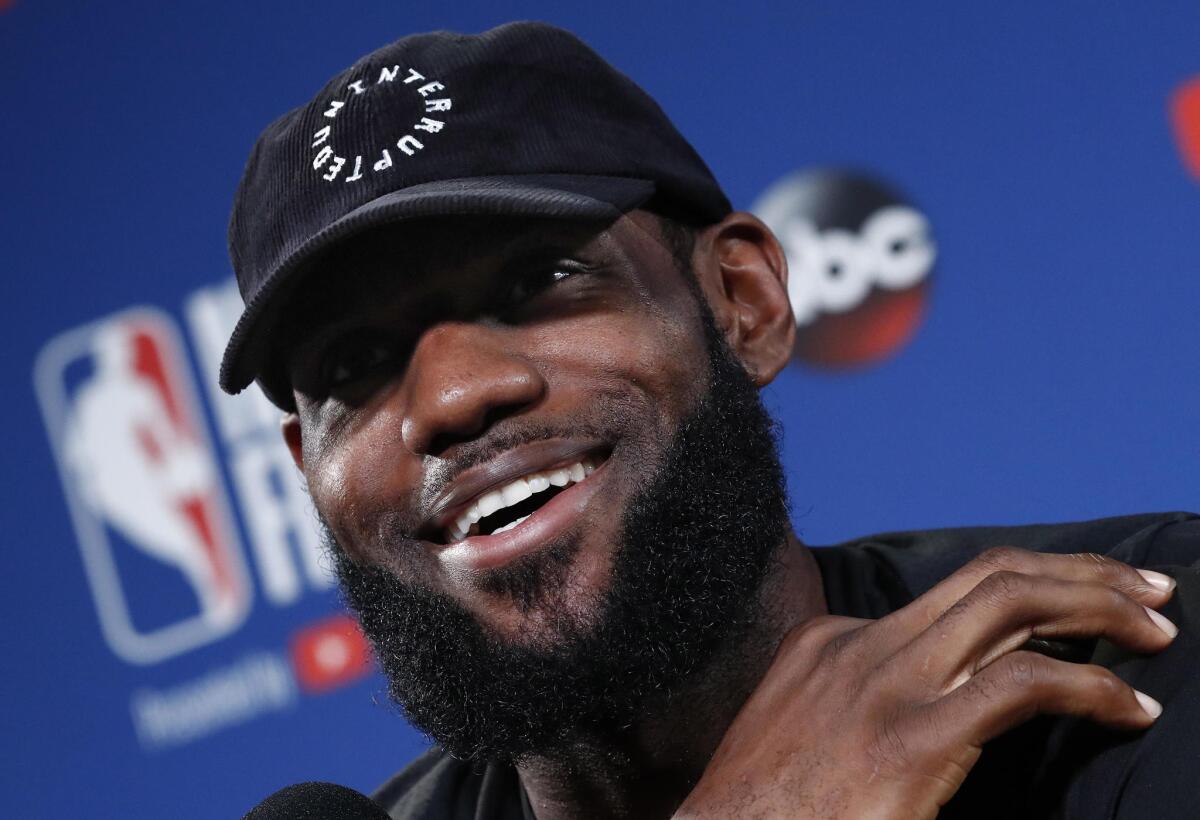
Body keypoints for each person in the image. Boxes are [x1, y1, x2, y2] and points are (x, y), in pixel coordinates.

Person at [220, 21, 1200, 819]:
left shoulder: (1136, 665)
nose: (450, 397)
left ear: (744, 303)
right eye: (354, 365)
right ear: (309, 469)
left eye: (540, 279)